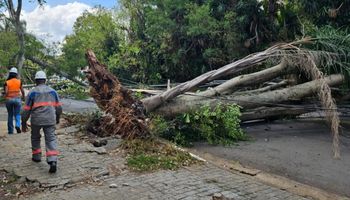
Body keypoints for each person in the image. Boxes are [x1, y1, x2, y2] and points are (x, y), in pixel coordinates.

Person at [22, 71, 62, 173]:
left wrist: (23, 122)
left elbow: (26, 109)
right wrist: (57, 118)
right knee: (51, 139)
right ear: (45, 80)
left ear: (36, 81)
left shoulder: (32, 92)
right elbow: (58, 108)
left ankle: (36, 156)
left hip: (36, 119)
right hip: (50, 119)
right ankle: (52, 160)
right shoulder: (53, 91)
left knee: (35, 137)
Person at [4, 67, 25, 134]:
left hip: (9, 100)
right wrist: (23, 97)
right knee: (17, 114)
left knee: (10, 115)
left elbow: (6, 92)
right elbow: (22, 91)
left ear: (10, 74)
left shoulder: (7, 82)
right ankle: (17, 125)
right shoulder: (19, 81)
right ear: (16, 74)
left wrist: (4, 95)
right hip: (17, 100)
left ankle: (10, 131)